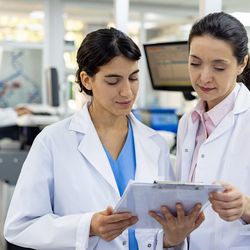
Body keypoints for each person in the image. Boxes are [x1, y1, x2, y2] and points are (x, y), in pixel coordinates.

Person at [4, 27, 203, 250]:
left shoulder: (154, 143)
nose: (127, 92)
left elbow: (155, 233)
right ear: (86, 80)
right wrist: (88, 225)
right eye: (113, 81)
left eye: (133, 78)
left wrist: (172, 239)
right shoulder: (52, 141)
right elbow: (20, 226)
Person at [176, 12, 250, 249]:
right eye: (195, 63)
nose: (204, 77)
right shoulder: (188, 121)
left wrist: (246, 207)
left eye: (219, 67)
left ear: (242, 64)